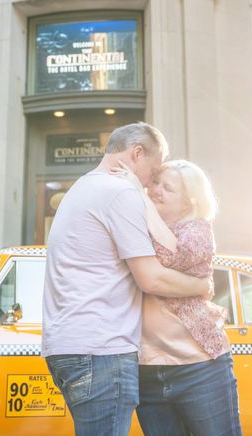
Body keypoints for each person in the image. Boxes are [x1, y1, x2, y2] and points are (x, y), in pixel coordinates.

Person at [41, 123, 213, 436]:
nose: (151, 183)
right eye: (154, 169)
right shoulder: (121, 192)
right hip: (101, 351)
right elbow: (151, 279)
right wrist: (202, 286)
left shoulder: (82, 187)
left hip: (67, 347)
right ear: (136, 153)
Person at [112, 159, 241, 436]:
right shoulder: (139, 226)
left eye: (167, 188)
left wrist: (139, 194)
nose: (155, 190)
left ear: (187, 203)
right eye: (155, 182)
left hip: (200, 368)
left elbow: (171, 256)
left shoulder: (197, 230)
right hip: (146, 369)